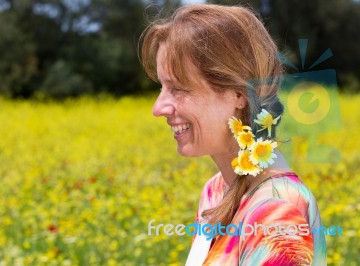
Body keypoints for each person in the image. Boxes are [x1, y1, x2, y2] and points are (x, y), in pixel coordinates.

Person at [140, 4, 327, 266]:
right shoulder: (216, 191)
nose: (158, 108)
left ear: (238, 94)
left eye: (179, 88)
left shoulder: (277, 213)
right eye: (162, 87)